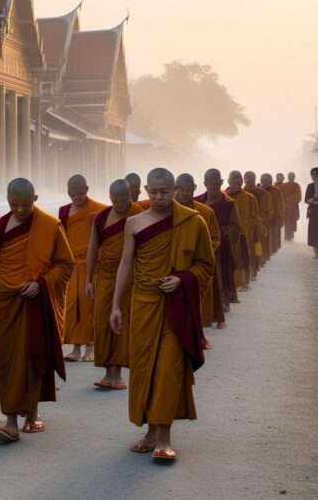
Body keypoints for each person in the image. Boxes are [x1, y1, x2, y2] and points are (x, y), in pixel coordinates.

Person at [111, 168, 214, 463]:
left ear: (175, 190)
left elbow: (206, 265)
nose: (159, 197)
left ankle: (165, 438)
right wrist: (116, 305)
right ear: (145, 190)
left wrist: (183, 279)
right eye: (153, 192)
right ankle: (150, 432)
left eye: (164, 192)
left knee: (168, 369)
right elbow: (126, 264)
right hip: (142, 305)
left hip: (175, 307)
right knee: (145, 370)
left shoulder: (192, 221)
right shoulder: (133, 223)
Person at [0, 178, 74, 443]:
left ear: (36, 198)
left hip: (35, 299)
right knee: (8, 358)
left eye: (25, 205)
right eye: (14, 204)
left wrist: (41, 284)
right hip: (7, 300)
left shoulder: (50, 225)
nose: (19, 210)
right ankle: (10, 420)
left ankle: (32, 414)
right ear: (7, 200)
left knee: (32, 355)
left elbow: (65, 265)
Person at [85, 179, 143, 391]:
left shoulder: (138, 214)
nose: (120, 204)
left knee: (120, 323)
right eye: (116, 200)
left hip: (129, 276)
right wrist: (88, 279)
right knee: (102, 322)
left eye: (124, 200)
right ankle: (107, 372)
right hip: (105, 276)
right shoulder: (101, 217)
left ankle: (117, 374)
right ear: (110, 198)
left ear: (130, 196)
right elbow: (92, 248)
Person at [60, 175, 108, 363]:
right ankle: (75, 347)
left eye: (80, 194)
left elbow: (104, 238)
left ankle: (90, 345)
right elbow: (62, 237)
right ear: (68, 193)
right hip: (71, 265)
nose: (77, 198)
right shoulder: (64, 211)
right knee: (71, 305)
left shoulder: (98, 210)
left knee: (88, 305)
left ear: (87, 189)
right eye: (73, 195)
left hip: (90, 264)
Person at [174, 173, 223, 332]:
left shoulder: (205, 212)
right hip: (174, 262)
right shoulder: (167, 211)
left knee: (199, 298)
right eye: (181, 190)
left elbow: (215, 237)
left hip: (198, 264)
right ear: (176, 189)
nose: (185, 193)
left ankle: (199, 333)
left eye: (188, 190)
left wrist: (205, 253)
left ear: (194, 188)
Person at [196, 168, 242, 324]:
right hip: (201, 244)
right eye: (210, 184)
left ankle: (224, 299)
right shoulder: (197, 202)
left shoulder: (229, 203)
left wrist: (226, 233)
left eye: (216, 184)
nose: (213, 187)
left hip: (222, 244)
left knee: (223, 272)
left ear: (221, 183)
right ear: (205, 183)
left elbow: (236, 225)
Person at [225, 171, 261, 286]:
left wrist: (251, 230)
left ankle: (245, 282)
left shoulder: (250, 198)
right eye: (233, 180)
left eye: (238, 180)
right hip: (227, 234)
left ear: (241, 182)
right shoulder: (223, 197)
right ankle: (231, 284)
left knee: (245, 257)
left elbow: (255, 217)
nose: (236, 182)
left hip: (244, 233)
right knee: (229, 259)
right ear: (228, 181)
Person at [244, 172, 272, 267]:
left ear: (255, 179)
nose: (248, 181)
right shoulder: (242, 193)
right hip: (246, 224)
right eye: (247, 178)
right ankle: (249, 263)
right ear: (244, 179)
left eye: (251, 178)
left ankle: (259, 260)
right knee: (247, 245)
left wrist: (263, 221)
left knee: (258, 243)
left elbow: (268, 210)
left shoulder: (263, 193)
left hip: (259, 223)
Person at [263, 174, 285, 255]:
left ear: (270, 181)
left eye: (267, 180)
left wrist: (280, 217)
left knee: (273, 238)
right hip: (264, 219)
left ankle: (272, 253)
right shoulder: (260, 191)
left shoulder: (276, 191)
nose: (265, 182)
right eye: (264, 180)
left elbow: (280, 206)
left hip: (274, 218)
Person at [282, 172, 303, 242]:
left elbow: (299, 197)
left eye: (292, 176)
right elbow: (280, 194)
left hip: (292, 208)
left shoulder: (296, 185)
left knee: (291, 223)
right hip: (287, 207)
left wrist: (288, 199)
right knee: (288, 223)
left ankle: (290, 237)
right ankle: (288, 237)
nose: (291, 177)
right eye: (290, 176)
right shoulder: (284, 185)